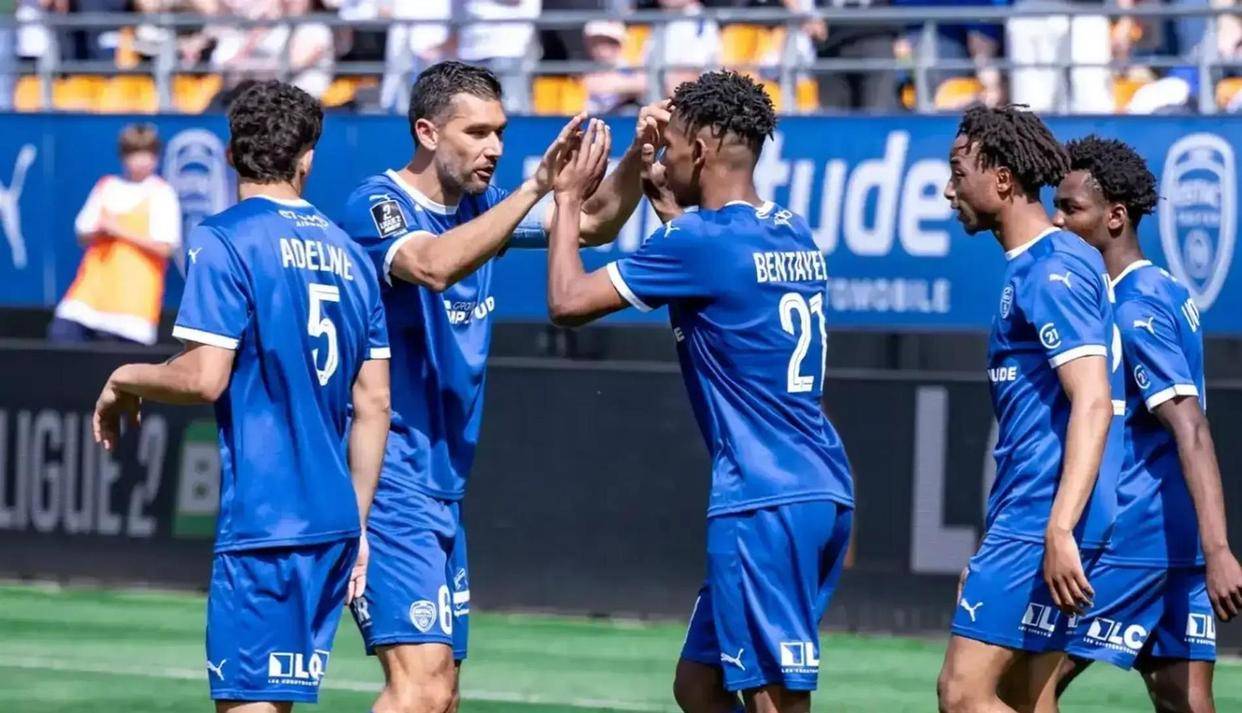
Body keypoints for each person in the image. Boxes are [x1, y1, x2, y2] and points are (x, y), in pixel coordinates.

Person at [338, 60, 663, 713]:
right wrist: (539, 185)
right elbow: (432, 265)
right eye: (477, 132)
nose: (493, 148)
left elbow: (593, 222)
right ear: (427, 132)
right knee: (421, 688)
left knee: (444, 694)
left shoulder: (483, 205)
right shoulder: (378, 204)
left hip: (443, 483)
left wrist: (638, 156)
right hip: (389, 479)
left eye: (500, 132)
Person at [542, 70, 855, 713]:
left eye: (673, 143)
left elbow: (567, 302)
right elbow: (715, 273)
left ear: (703, 150)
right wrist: (665, 200)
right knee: (700, 684)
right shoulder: (791, 229)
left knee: (772, 701)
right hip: (818, 484)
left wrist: (569, 198)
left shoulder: (696, 242)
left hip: (761, 498)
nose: (664, 155)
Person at [91, 80, 392, 712]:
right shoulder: (352, 255)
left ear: (230, 155)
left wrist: (125, 377)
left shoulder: (224, 237)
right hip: (335, 522)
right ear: (307, 158)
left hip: (267, 521)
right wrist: (359, 523)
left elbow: (205, 377)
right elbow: (375, 405)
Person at [936, 105, 1124, 713]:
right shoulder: (1044, 264)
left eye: (958, 173)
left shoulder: (1052, 269)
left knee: (963, 694)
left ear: (1002, 179)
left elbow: (1093, 401)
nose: (949, 191)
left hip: (1044, 516)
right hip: (1032, 514)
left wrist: (1058, 528)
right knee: (1027, 699)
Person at [1050, 135, 1242, 712]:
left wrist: (1220, 549)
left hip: (1134, 537)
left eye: (1071, 209)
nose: (1058, 221)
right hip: (1175, 538)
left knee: (1020, 686)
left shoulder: (1134, 307)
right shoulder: (1164, 289)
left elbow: (1191, 427)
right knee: (1185, 700)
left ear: (1115, 216)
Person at [50, 123, 182, 346]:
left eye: (148, 153)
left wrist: (119, 230)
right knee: (61, 337)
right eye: (135, 153)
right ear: (124, 156)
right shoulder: (106, 186)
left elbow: (166, 247)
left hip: (132, 307)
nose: (142, 161)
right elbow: (83, 234)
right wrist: (101, 230)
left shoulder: (162, 193)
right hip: (88, 298)